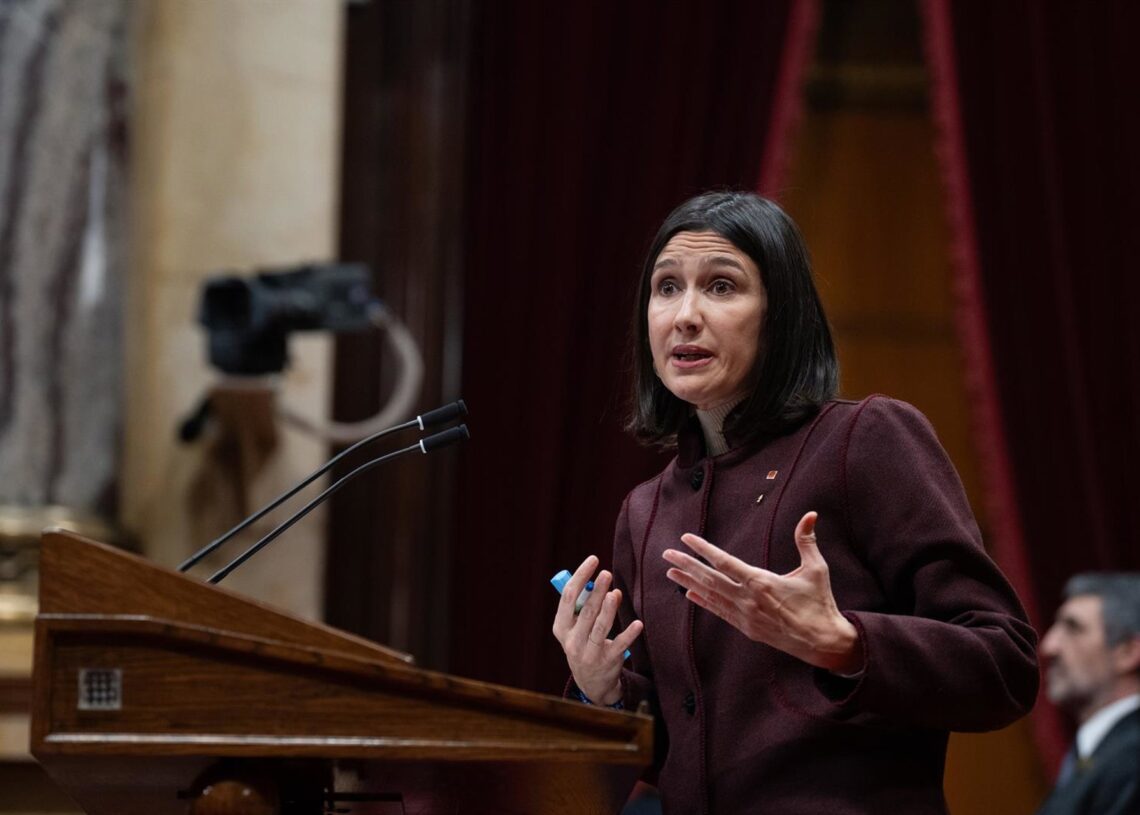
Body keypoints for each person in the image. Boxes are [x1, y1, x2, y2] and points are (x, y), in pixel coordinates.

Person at [551, 191, 1039, 814]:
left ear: (781, 314)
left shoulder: (866, 439)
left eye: (722, 287)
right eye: (666, 287)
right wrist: (604, 691)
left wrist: (845, 642)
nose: (685, 315)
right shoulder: (646, 509)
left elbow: (1006, 665)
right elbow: (678, 746)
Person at [1036, 573, 1140, 815]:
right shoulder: (1094, 755)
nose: (1049, 646)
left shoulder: (1131, 759)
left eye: (1073, 628)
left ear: (1127, 652)